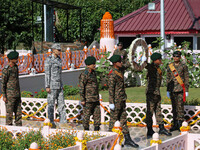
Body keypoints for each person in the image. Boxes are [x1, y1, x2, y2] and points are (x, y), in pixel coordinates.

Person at [133, 53, 172, 138]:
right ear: (155, 60)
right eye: (159, 59)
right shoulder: (151, 67)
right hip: (151, 93)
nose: (161, 61)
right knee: (150, 112)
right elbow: (144, 66)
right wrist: (142, 61)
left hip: (157, 92)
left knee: (158, 111)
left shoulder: (158, 68)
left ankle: (161, 128)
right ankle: (149, 130)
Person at [108, 55, 139, 148]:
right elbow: (111, 90)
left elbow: (127, 65)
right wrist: (111, 102)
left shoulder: (119, 70)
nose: (121, 63)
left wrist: (133, 58)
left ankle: (127, 139)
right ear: (114, 63)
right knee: (113, 120)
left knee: (123, 119)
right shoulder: (112, 74)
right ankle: (109, 140)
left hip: (121, 99)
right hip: (116, 101)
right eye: (119, 62)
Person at [166, 51, 189, 131]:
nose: (176, 58)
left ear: (180, 57)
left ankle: (180, 124)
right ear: (173, 57)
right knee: (174, 107)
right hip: (172, 89)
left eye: (177, 56)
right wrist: (168, 90)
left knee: (180, 107)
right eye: (174, 56)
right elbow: (168, 78)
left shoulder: (183, 66)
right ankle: (175, 124)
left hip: (180, 89)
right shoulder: (170, 66)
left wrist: (186, 90)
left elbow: (186, 78)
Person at [45, 43, 66, 127]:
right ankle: (50, 122)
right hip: (52, 85)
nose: (60, 51)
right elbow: (47, 74)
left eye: (60, 50)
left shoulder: (59, 60)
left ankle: (63, 122)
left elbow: (60, 73)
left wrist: (61, 84)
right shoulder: (49, 60)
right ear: (53, 50)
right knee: (51, 104)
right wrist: (47, 86)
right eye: (58, 50)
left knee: (61, 104)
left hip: (59, 85)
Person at [79, 56, 101, 131]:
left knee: (97, 115)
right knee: (86, 116)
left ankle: (97, 130)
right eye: (92, 64)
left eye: (94, 64)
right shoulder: (84, 74)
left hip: (95, 98)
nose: (94, 65)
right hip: (88, 99)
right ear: (88, 65)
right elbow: (82, 87)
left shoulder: (94, 73)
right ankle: (86, 131)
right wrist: (82, 99)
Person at [1, 51, 22, 126]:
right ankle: (8, 133)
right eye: (16, 58)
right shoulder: (6, 70)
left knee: (19, 114)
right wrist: (4, 96)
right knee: (9, 115)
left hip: (17, 94)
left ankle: (19, 131)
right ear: (11, 59)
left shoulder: (16, 67)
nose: (17, 59)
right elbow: (3, 83)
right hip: (10, 96)